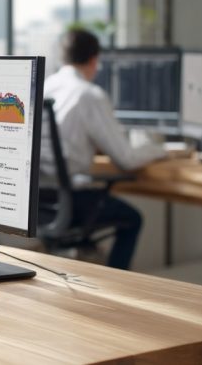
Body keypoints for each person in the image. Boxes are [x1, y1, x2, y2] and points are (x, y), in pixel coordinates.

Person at [42, 29, 167, 270]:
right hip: (71, 201)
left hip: (38, 202)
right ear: (94, 60)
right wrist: (160, 150)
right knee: (133, 219)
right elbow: (127, 160)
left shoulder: (45, 87)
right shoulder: (89, 95)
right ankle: (117, 285)